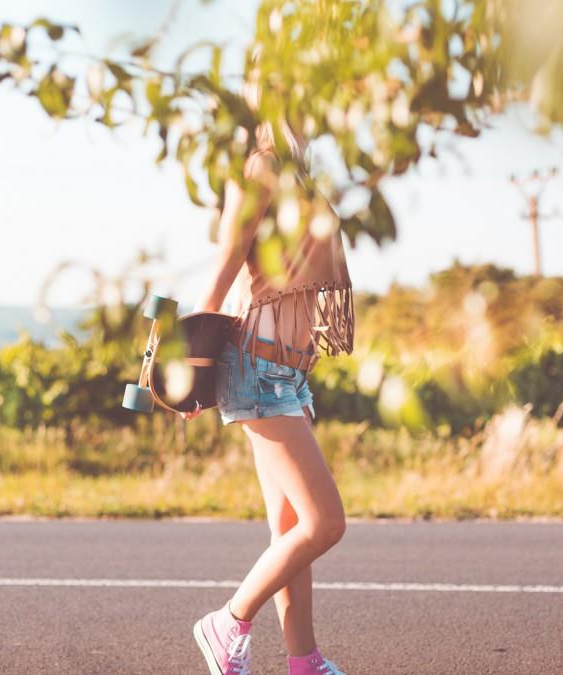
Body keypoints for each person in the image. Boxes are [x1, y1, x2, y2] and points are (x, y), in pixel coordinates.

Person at [183, 60, 355, 675]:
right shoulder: (259, 165)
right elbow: (230, 257)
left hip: (288, 373)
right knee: (325, 522)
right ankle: (227, 622)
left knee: (291, 533)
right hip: (258, 369)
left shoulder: (298, 170)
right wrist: (195, 351)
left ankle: (303, 662)